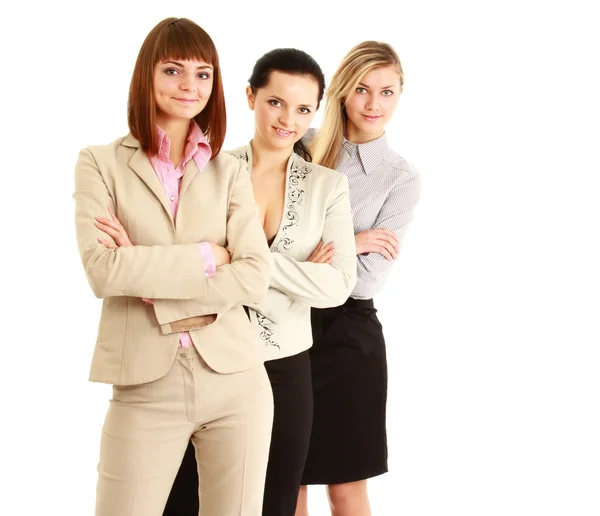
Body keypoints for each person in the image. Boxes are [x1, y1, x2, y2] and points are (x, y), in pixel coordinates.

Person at [73, 17, 274, 516]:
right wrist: (208, 257)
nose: (190, 85)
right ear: (147, 76)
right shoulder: (100, 163)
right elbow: (102, 270)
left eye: (203, 74)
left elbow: (254, 274)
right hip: (144, 383)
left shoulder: (230, 171)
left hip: (237, 378)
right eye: (174, 70)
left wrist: (144, 271)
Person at [163, 48, 357, 516]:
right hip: (208, 359)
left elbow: (337, 286)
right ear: (251, 96)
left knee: (274, 503)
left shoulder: (328, 187)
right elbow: (183, 266)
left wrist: (245, 261)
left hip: (286, 370)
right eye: (276, 102)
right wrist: (298, 271)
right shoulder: (205, 171)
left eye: (304, 108)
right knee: (185, 501)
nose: (288, 119)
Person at [296, 41, 421, 516]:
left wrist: (321, 253)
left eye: (387, 91)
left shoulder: (400, 176)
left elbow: (366, 282)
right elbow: (267, 244)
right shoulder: (299, 148)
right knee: (286, 480)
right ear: (343, 92)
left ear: (399, 95)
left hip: (350, 339)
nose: (374, 104)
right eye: (363, 90)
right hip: (283, 330)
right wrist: (355, 240)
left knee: (347, 486)